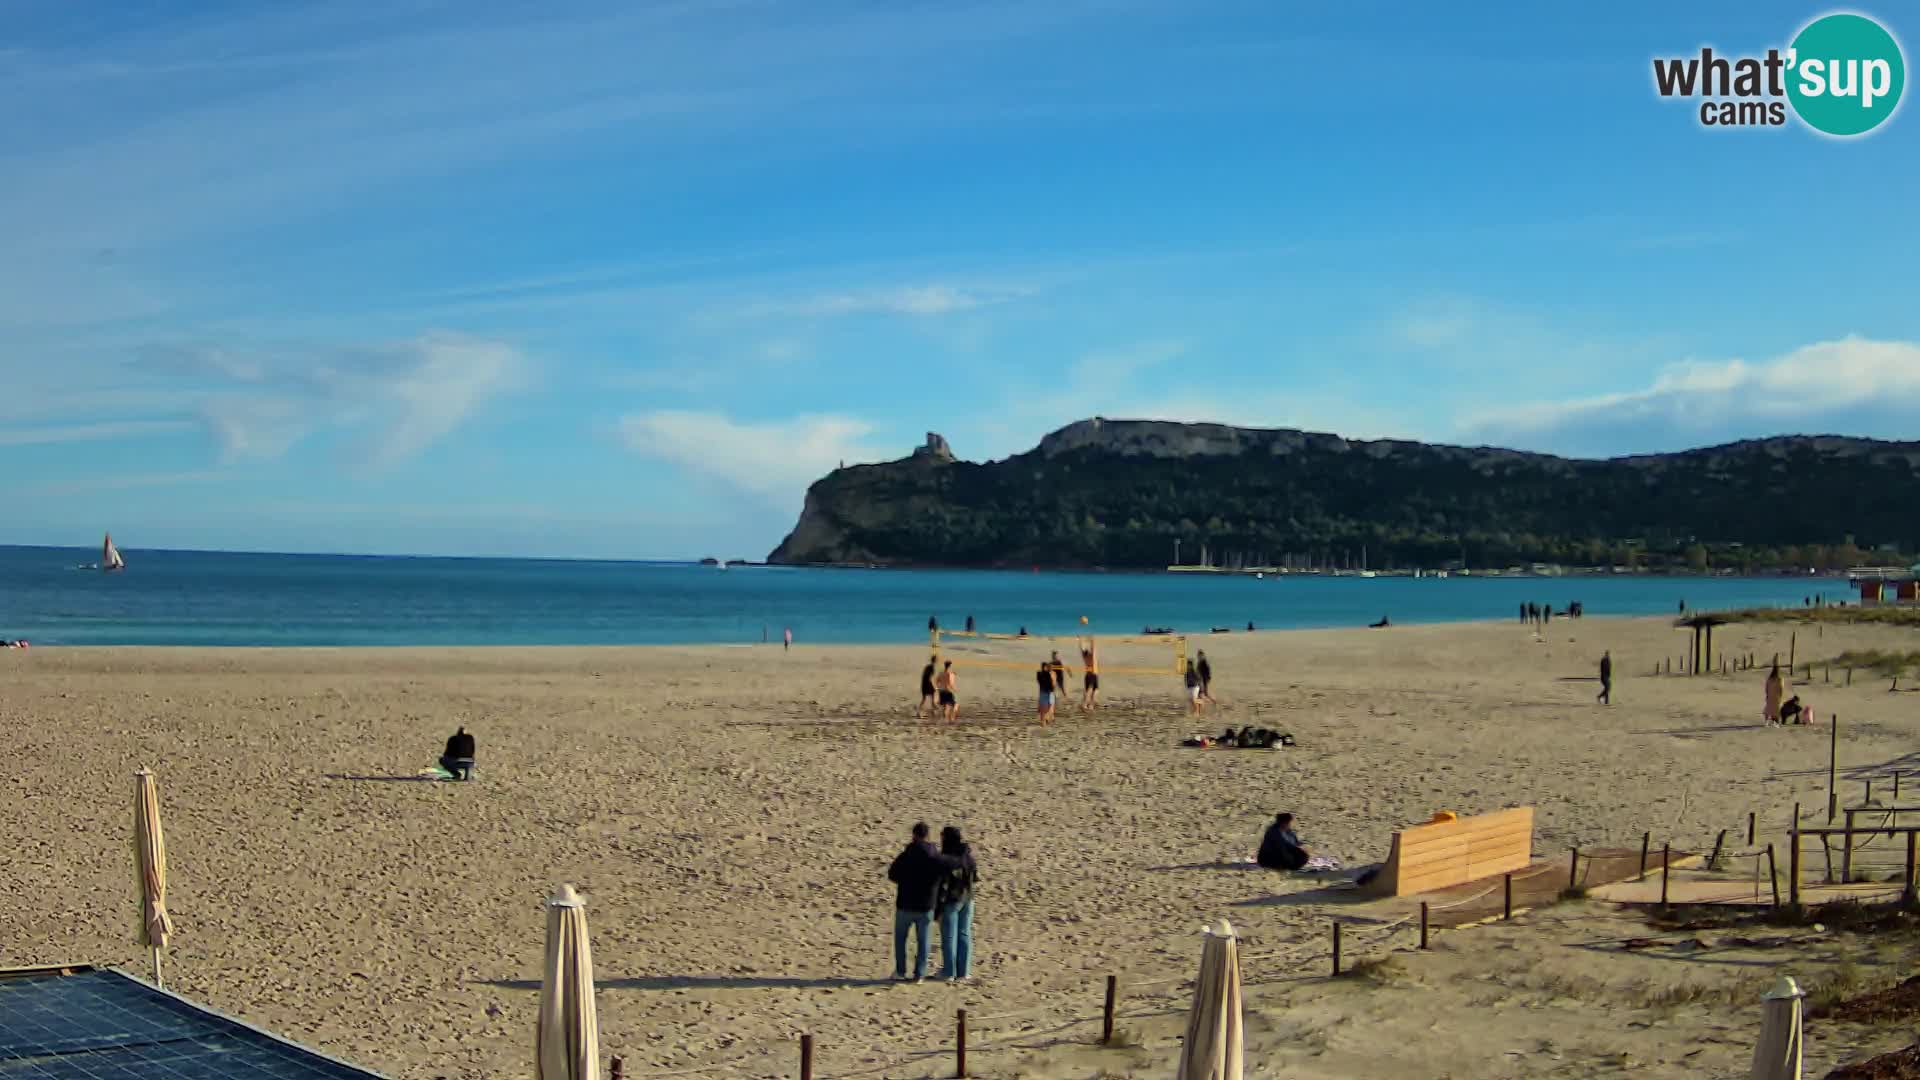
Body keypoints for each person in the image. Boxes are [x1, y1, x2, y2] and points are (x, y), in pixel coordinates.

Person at [887, 823, 962, 982]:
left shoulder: (905, 855)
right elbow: (952, 865)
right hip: (926, 905)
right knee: (924, 941)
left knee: (901, 939)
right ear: (928, 836)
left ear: (914, 835)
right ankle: (919, 973)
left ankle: (900, 971)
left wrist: (905, 880)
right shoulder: (935, 858)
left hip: (905, 904)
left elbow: (892, 875)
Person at [936, 825, 978, 982]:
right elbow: (975, 877)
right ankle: (964, 971)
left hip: (952, 899)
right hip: (968, 898)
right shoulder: (968, 856)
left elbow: (942, 882)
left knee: (949, 936)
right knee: (964, 934)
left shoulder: (947, 857)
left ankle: (949, 971)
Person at [1079, 637, 1100, 712]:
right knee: (1091, 691)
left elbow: (1081, 649)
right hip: (1093, 675)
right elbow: (1093, 649)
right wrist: (1092, 640)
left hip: (1088, 675)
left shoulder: (1085, 657)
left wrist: (1080, 640)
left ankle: (1089, 705)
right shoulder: (1092, 657)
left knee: (1094, 691)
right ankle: (1085, 705)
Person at [1035, 660, 1056, 725]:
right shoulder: (1046, 674)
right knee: (1045, 707)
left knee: (1049, 707)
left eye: (1051, 667)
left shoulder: (1053, 674)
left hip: (1050, 692)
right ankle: (1044, 720)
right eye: (1049, 667)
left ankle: (1048, 718)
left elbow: (1053, 684)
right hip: (1047, 692)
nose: (1050, 668)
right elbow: (1049, 684)